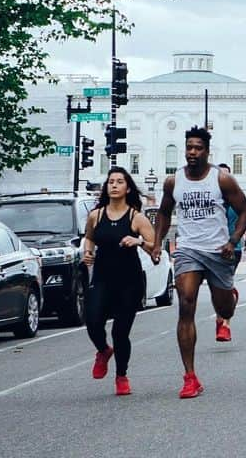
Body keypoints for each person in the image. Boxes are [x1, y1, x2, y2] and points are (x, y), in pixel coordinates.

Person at [150, 126, 246, 399]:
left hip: (218, 251)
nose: (192, 152)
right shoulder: (174, 181)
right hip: (189, 250)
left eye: (198, 148)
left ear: (207, 151)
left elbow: (244, 211)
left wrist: (233, 240)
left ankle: (230, 299)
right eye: (189, 147)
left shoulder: (222, 179)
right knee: (186, 303)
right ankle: (190, 376)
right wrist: (158, 243)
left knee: (225, 309)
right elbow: (163, 212)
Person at [82, 167, 156, 396]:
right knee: (93, 321)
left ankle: (121, 375)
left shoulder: (137, 217)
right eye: (110, 181)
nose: (113, 185)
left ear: (127, 188)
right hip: (103, 277)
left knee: (120, 332)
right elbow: (89, 237)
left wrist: (138, 241)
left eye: (119, 182)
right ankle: (103, 351)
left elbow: (154, 246)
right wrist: (88, 252)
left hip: (129, 281)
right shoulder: (96, 215)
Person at [214, 162, 243, 341]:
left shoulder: (237, 198)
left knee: (226, 284)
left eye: (227, 176)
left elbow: (244, 216)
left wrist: (244, 231)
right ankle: (221, 317)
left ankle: (225, 324)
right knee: (219, 288)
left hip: (233, 248)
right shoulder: (211, 200)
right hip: (211, 249)